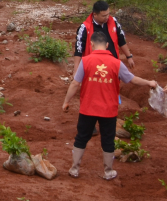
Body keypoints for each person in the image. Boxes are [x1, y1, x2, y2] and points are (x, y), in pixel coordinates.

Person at [61, 30, 160, 181]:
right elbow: (132, 80)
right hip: (108, 110)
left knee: (81, 137)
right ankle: (108, 171)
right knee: (108, 139)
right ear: (107, 45)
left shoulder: (85, 61)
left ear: (92, 44)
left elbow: (75, 83)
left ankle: (74, 169)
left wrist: (66, 101)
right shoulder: (116, 63)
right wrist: (149, 83)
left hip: (88, 108)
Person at [73, 0, 134, 65]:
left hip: (112, 64)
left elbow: (121, 40)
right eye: (104, 16)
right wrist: (75, 71)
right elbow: (78, 50)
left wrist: (129, 56)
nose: (107, 17)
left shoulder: (114, 22)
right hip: (93, 66)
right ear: (95, 14)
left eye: (108, 14)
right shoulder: (85, 28)